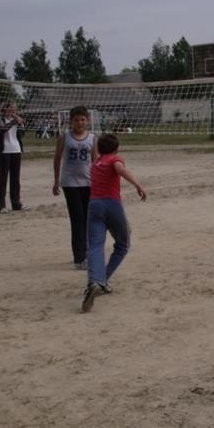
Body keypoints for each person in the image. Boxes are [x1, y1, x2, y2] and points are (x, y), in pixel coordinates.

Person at [81, 133, 147, 313]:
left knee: (95, 245)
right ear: (117, 149)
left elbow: (101, 157)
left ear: (99, 149)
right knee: (123, 245)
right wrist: (138, 185)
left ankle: (94, 282)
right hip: (111, 205)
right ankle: (102, 281)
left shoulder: (95, 163)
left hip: (94, 206)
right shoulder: (114, 160)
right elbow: (120, 169)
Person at [53, 106, 98, 270]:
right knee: (77, 219)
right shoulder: (64, 137)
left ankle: (86, 252)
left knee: (87, 218)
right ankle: (79, 258)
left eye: (83, 119)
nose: (80, 123)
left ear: (87, 121)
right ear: (71, 121)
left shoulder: (92, 138)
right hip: (70, 182)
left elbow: (95, 161)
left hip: (88, 182)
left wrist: (98, 182)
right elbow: (57, 158)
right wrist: (56, 181)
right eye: (76, 120)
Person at [0, 102, 28, 213]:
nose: (13, 111)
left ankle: (16, 203)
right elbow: (1, 131)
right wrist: (15, 121)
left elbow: (22, 133)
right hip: (4, 151)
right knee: (3, 178)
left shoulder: (17, 119)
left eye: (15, 109)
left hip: (16, 149)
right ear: (5, 108)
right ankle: (1, 205)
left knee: (15, 179)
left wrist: (21, 124)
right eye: (11, 108)